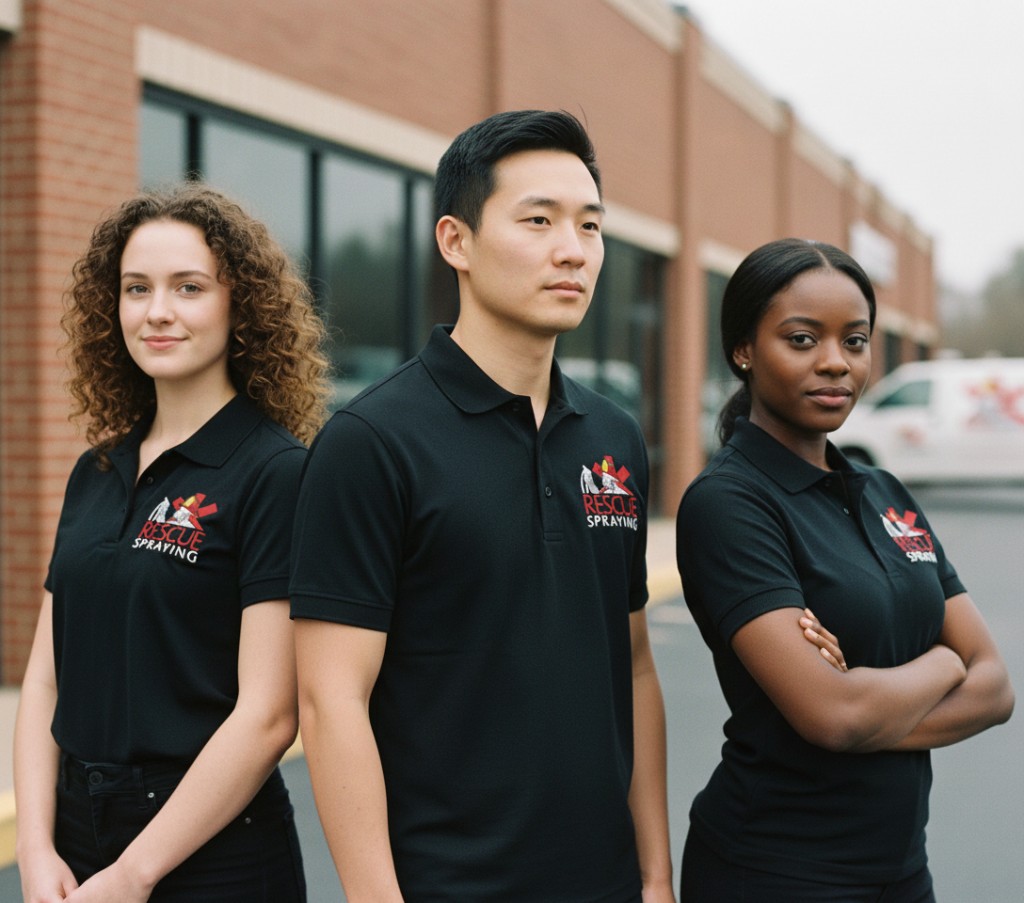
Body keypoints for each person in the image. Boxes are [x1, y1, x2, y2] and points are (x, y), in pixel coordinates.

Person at [290, 109, 674, 902]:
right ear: (455, 241)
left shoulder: (614, 436)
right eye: (538, 220)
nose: (573, 249)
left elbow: (632, 664)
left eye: (590, 225)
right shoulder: (371, 441)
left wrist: (655, 873)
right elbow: (332, 700)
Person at [14, 184, 330, 902]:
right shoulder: (95, 471)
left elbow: (268, 713)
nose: (157, 311)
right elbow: (45, 679)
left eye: (188, 287)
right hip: (73, 841)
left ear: (238, 304)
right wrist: (35, 847)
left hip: (212, 854)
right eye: (136, 288)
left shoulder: (277, 473)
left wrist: (133, 873)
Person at [675, 237, 1014, 902]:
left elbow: (997, 687)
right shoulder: (728, 503)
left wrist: (866, 702)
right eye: (802, 340)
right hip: (776, 870)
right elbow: (833, 717)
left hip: (901, 870)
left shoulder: (886, 491)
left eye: (854, 341)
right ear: (744, 349)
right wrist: (947, 662)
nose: (835, 362)